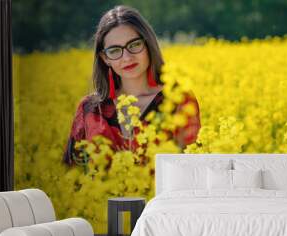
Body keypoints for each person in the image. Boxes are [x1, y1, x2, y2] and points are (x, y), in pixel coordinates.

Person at [62, 5, 201, 167]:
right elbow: (73, 173)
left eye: (134, 45)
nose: (127, 57)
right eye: (114, 50)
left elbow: (192, 168)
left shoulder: (179, 100)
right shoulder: (89, 109)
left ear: (148, 45)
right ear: (104, 58)